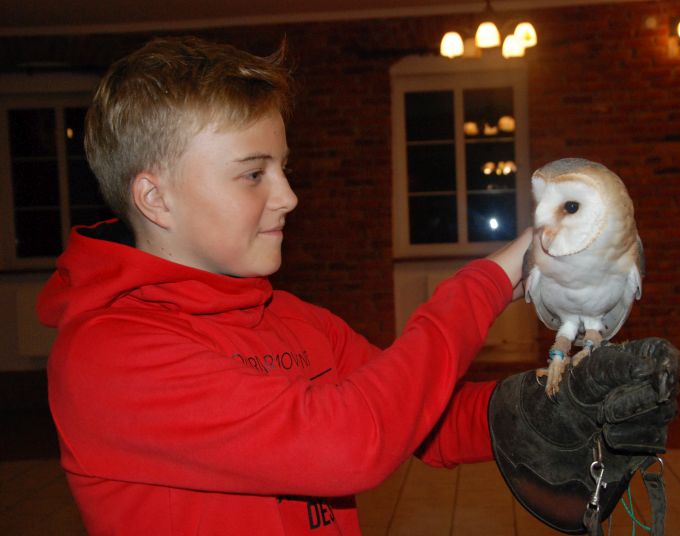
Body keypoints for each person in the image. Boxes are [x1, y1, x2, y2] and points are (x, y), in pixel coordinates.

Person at [37, 35, 534, 534]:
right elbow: (350, 444)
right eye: (254, 174)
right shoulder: (107, 355)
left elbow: (428, 418)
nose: (289, 197)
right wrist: (481, 287)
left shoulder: (295, 319)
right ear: (155, 198)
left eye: (283, 168)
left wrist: (552, 405)